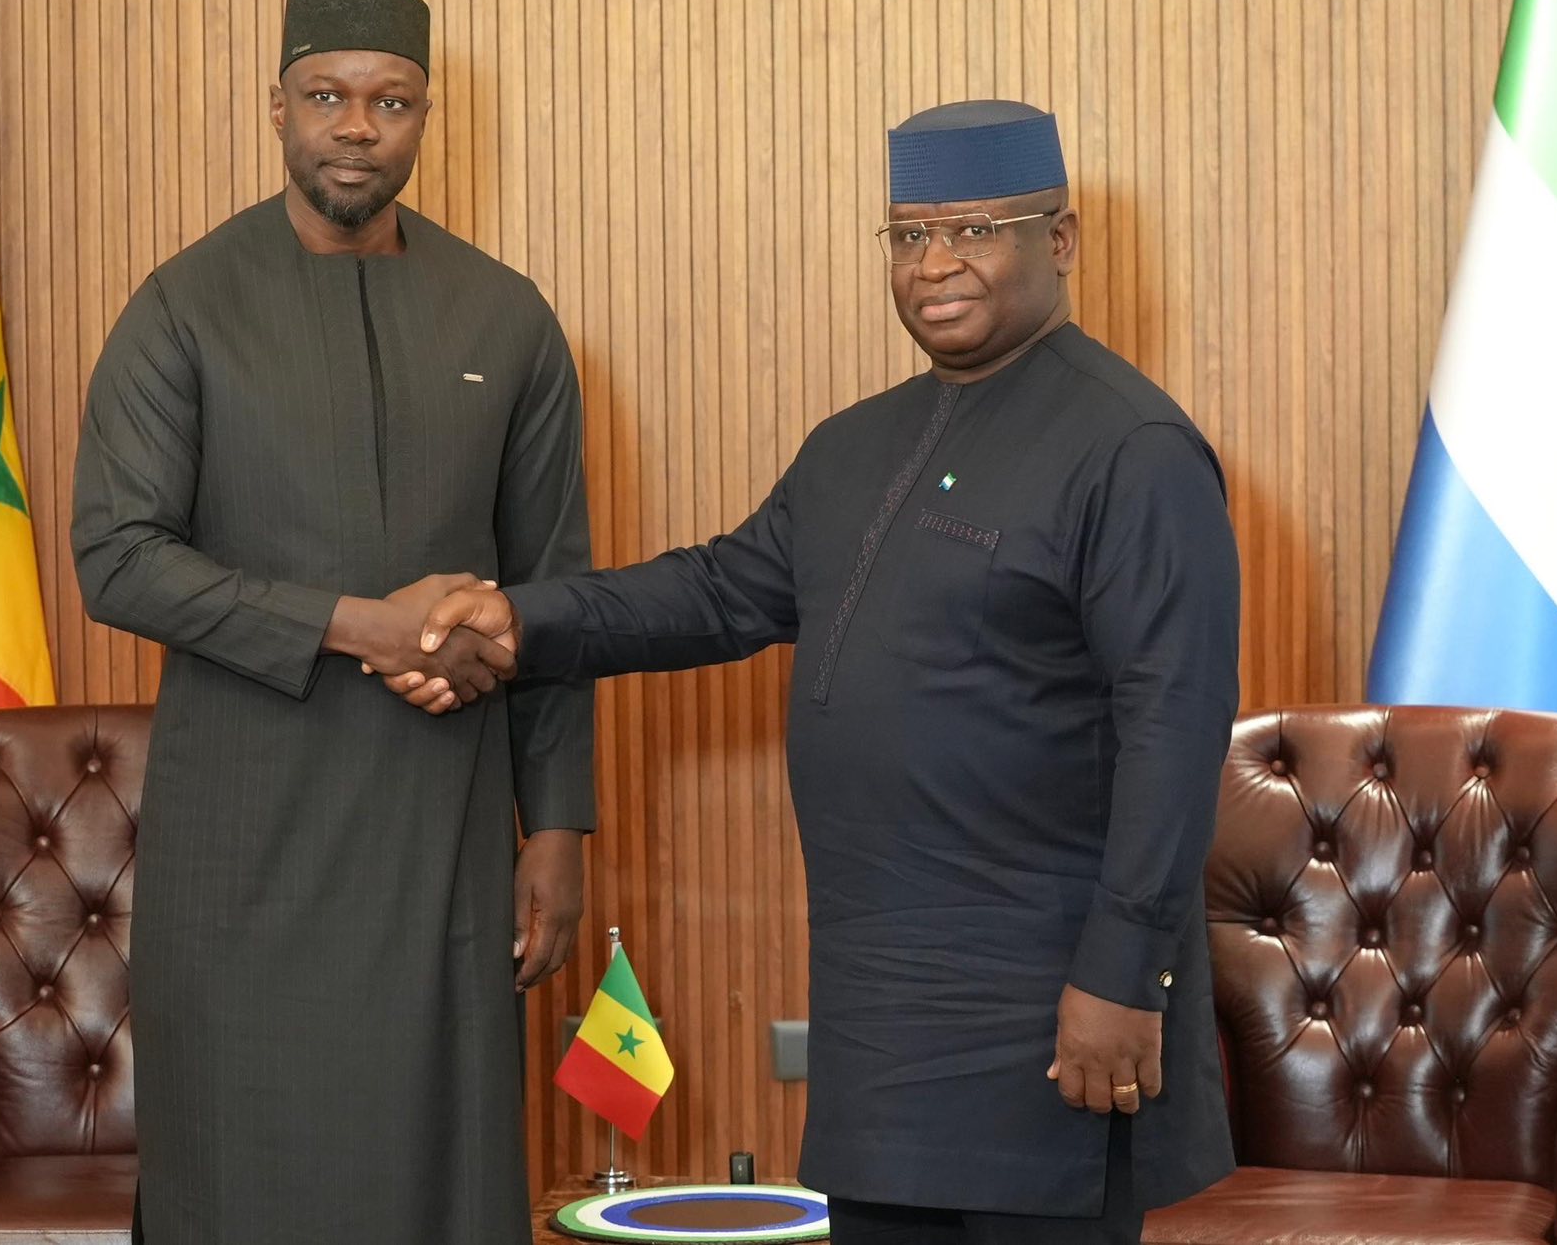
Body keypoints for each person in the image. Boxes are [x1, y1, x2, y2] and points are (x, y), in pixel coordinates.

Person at [402, 101, 1240, 1243]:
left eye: (976, 230)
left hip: (1049, 1008)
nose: (934, 264)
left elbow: (1174, 728)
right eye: (909, 234)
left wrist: (1123, 972)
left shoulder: (1133, 450)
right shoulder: (854, 446)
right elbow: (715, 591)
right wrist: (519, 617)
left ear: (1059, 240)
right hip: (879, 1013)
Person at [70, 0, 593, 1243]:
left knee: (441, 1169)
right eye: (326, 96)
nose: (356, 127)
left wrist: (558, 828)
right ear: (277, 107)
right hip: (243, 836)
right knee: (243, 1176)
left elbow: (554, 591)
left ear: (425, 116)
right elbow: (117, 557)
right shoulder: (184, 305)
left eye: (390, 101)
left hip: (441, 829)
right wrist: (364, 624)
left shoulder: (505, 316)